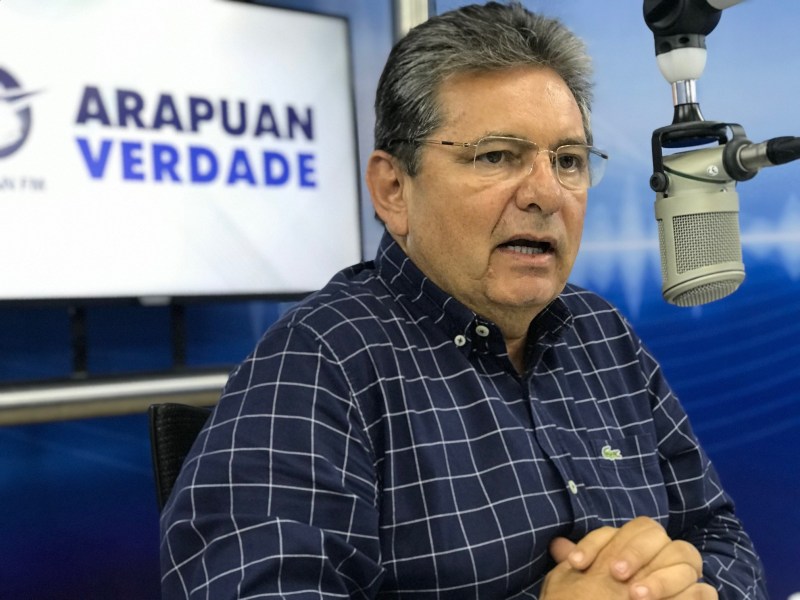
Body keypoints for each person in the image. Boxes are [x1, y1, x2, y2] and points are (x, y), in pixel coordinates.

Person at [160, 2, 767, 598]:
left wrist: (687, 589)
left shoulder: (602, 333)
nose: (546, 194)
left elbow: (718, 535)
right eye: (496, 155)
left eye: (569, 161)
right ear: (393, 189)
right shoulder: (321, 361)